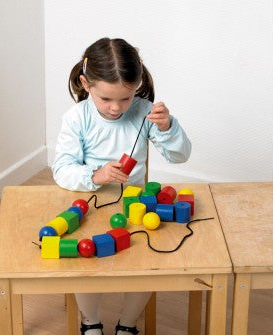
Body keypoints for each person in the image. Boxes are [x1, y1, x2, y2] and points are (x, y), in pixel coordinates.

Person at [52, 37, 191, 335]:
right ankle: (90, 322)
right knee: (85, 259)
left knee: (146, 263)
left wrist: (168, 128)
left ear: (137, 85)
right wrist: (96, 175)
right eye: (105, 99)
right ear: (85, 84)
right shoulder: (77, 118)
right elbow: (62, 170)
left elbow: (180, 156)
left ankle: (128, 324)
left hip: (134, 206)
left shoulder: (145, 112)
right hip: (88, 205)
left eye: (125, 99)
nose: (116, 108)